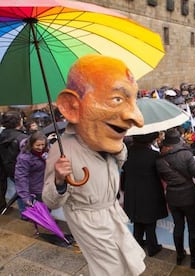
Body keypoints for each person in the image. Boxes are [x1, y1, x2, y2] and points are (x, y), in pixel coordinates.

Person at [42, 55, 146, 275]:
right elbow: (50, 200)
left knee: (126, 262)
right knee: (110, 269)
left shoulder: (104, 141)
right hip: (88, 220)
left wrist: (117, 148)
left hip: (112, 212)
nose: (137, 119)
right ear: (71, 106)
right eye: (117, 99)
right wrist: (60, 180)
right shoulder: (62, 151)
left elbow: (121, 160)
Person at [155, 128, 195, 268]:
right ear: (178, 140)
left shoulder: (160, 158)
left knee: (178, 226)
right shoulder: (186, 154)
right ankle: (194, 259)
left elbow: (163, 177)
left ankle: (179, 256)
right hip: (189, 195)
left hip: (172, 196)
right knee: (193, 228)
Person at [121, 132, 168, 257]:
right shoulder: (154, 155)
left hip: (133, 192)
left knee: (137, 220)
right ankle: (152, 247)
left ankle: (137, 244)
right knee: (150, 222)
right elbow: (162, 174)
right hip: (149, 193)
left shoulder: (127, 154)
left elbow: (124, 172)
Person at [0, 111, 28, 213]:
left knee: (19, 190)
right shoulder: (22, 138)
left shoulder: (2, 134)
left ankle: (23, 212)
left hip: (8, 168)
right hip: (22, 170)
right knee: (25, 191)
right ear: (18, 122)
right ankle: (28, 213)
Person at [14, 131, 48, 214]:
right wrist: (25, 197)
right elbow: (21, 177)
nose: (40, 148)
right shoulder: (24, 158)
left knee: (47, 210)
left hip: (46, 185)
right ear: (31, 144)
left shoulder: (46, 151)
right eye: (37, 145)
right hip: (36, 188)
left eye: (42, 145)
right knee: (41, 212)